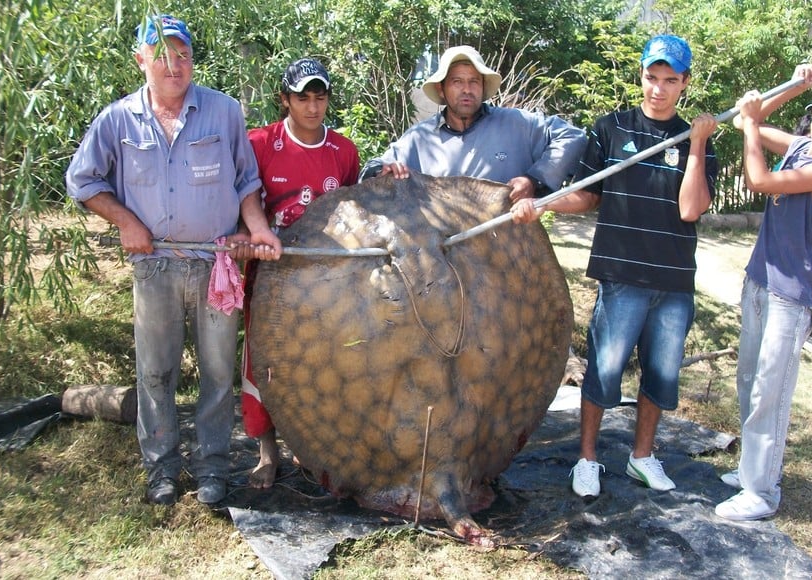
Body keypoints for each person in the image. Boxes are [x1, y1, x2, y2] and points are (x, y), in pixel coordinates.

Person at [66, 14, 282, 507]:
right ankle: (161, 469)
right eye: (162, 53)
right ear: (140, 59)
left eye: (182, 53)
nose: (174, 64)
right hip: (154, 267)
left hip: (216, 264)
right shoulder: (117, 119)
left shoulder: (224, 111)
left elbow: (247, 183)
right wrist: (125, 221)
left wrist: (259, 227)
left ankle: (211, 470)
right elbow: (82, 182)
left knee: (217, 371)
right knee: (156, 371)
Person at [512, 34, 719, 497]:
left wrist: (699, 145)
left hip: (673, 282)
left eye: (670, 80)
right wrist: (542, 204)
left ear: (684, 83)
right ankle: (587, 460)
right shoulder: (611, 129)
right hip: (622, 277)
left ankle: (641, 457)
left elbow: (691, 209)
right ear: (640, 76)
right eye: (652, 77)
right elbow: (588, 195)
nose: (658, 89)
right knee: (604, 371)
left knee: (661, 376)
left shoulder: (696, 138)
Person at [714, 65, 812, 521]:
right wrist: (795, 85)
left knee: (771, 391)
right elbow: (744, 120)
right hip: (760, 281)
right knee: (749, 382)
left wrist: (750, 123)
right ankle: (752, 470)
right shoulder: (806, 145)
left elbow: (759, 181)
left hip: (791, 298)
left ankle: (762, 492)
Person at [240, 58, 360, 489]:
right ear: (284, 100)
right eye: (302, 98)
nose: (313, 107)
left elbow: (351, 213)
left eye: (320, 97)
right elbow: (244, 202)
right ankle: (266, 453)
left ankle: (310, 448)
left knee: (322, 360)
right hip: (269, 277)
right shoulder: (258, 144)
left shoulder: (343, 151)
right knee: (263, 363)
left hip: (324, 282)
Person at [359, 45, 586, 201]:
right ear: (441, 88)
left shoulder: (517, 124)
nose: (467, 89)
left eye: (474, 81)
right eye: (457, 81)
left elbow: (572, 137)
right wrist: (382, 171)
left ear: (483, 86)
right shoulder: (420, 138)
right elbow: (371, 169)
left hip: (508, 251)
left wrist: (534, 180)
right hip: (447, 257)